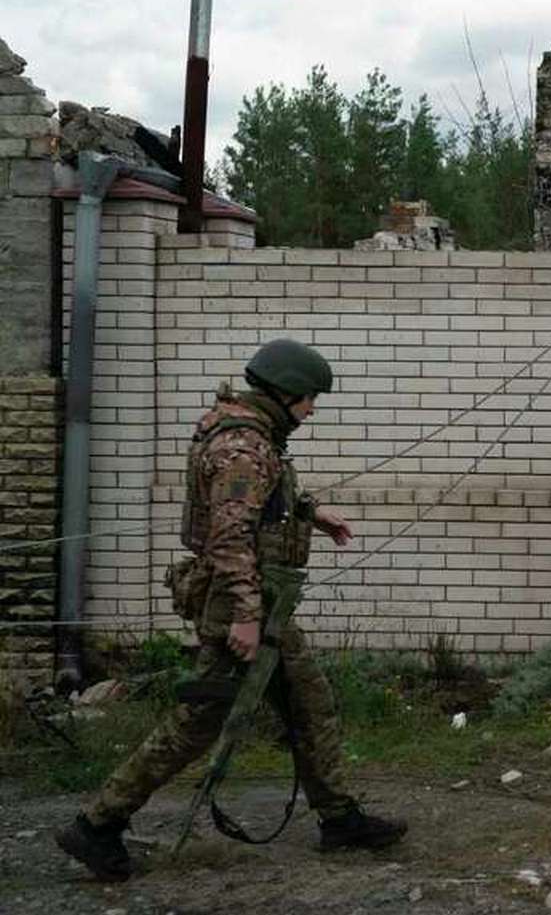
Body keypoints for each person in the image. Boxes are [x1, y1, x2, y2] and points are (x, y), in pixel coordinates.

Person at [58, 339, 406, 881]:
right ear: (285, 393)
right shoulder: (244, 444)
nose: (312, 410)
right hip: (241, 604)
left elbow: (256, 503)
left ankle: (340, 818)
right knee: (199, 722)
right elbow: (228, 535)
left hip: (261, 603)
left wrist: (313, 513)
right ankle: (98, 824)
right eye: (310, 398)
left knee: (309, 703)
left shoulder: (247, 434)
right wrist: (245, 615)